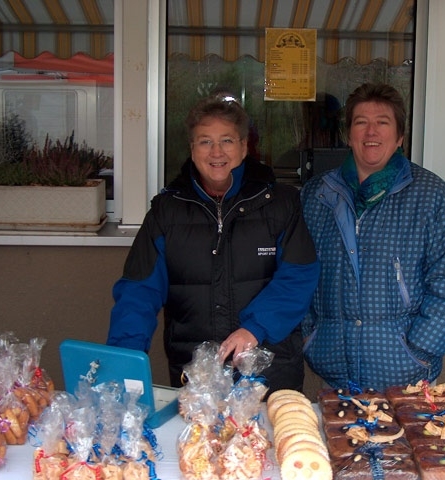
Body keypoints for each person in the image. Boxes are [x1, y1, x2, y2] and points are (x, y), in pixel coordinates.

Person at [106, 95, 320, 394]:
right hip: (198, 375)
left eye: (227, 141)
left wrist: (255, 328)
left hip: (269, 371)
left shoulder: (281, 204)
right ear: (192, 149)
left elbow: (299, 276)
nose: (216, 152)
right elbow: (138, 293)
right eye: (205, 141)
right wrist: (123, 361)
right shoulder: (166, 211)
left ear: (244, 147)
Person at [300, 83, 445, 390]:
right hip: (334, 373)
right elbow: (295, 271)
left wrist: (417, 351)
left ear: (400, 137)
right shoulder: (316, 195)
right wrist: (309, 335)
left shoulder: (433, 197)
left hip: (408, 379)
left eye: (382, 122)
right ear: (348, 134)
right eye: (361, 122)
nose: (371, 132)